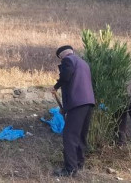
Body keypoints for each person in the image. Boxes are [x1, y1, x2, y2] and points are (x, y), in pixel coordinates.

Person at [52, 45, 95, 177]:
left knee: (69, 135)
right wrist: (64, 108)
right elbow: (78, 84)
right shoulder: (83, 63)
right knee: (81, 135)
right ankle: (79, 163)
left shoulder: (68, 60)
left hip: (77, 104)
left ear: (62, 56)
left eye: (60, 58)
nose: (61, 61)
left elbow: (66, 76)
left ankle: (70, 169)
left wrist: (55, 86)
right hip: (88, 103)